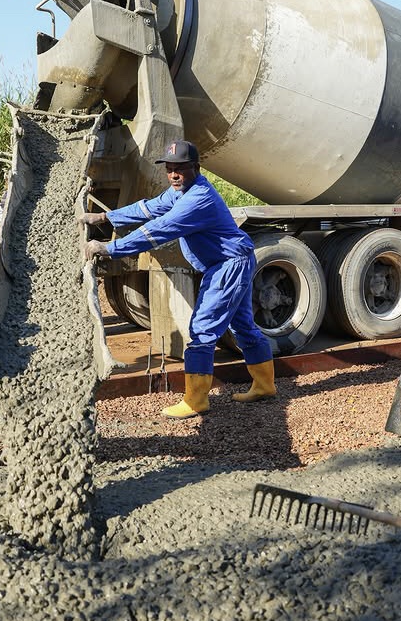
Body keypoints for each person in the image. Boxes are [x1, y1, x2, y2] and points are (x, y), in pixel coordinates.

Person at [80, 139, 275, 418]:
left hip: (228, 265)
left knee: (202, 330)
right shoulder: (182, 191)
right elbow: (148, 209)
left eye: (180, 168)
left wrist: (110, 248)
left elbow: (157, 230)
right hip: (232, 261)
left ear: (196, 168)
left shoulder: (198, 199)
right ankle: (265, 385)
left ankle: (196, 401)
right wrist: (104, 217)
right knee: (242, 326)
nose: (173, 174)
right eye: (169, 168)